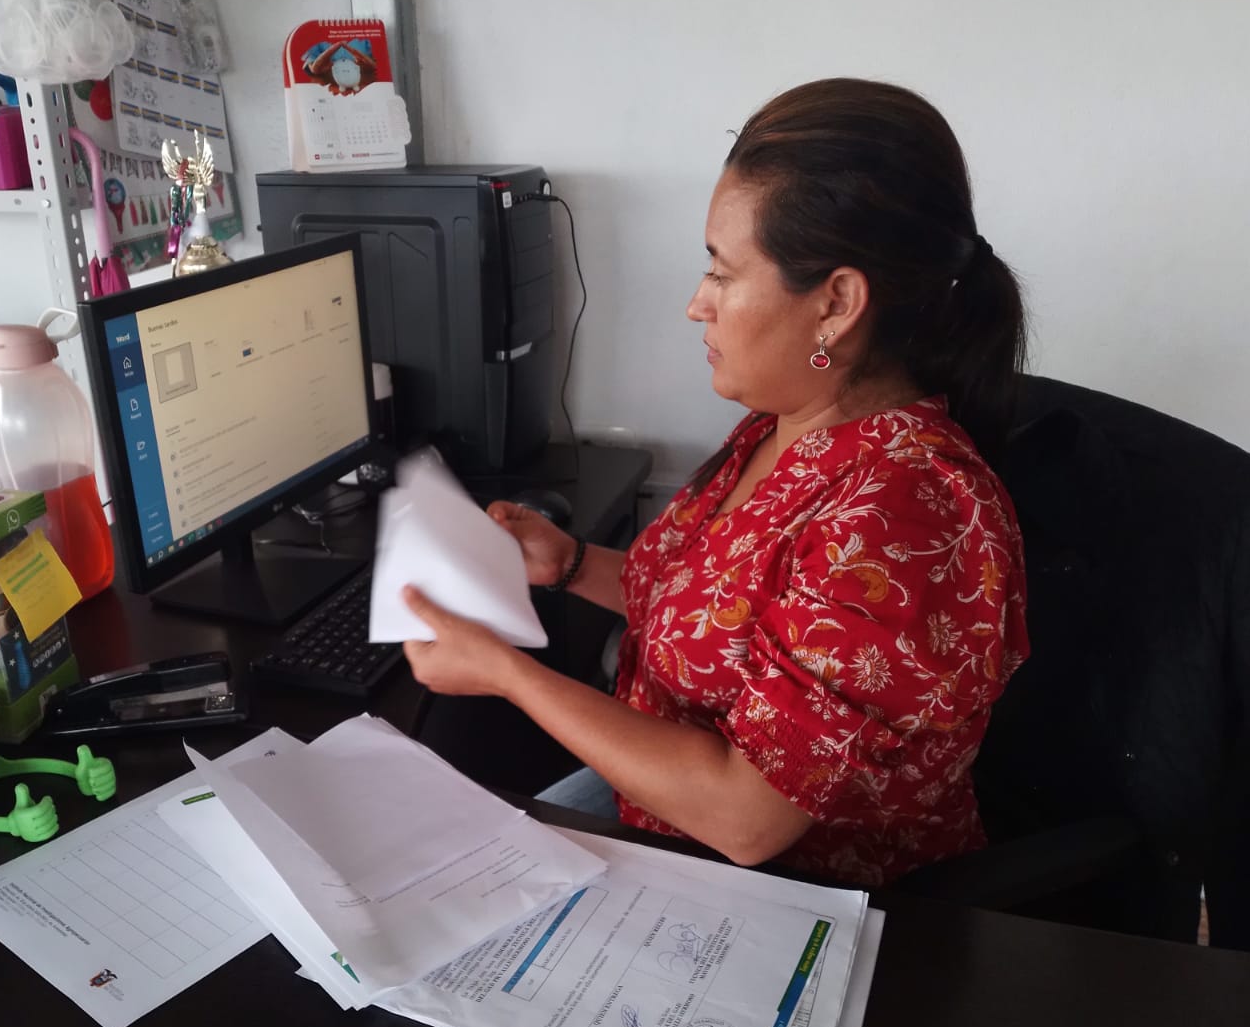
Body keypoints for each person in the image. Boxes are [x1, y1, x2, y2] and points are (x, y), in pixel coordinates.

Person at [401, 78, 1030, 888]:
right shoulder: (784, 424)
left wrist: (505, 672)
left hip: (805, 894)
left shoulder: (903, 514)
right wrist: (569, 563)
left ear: (837, 303)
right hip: (668, 822)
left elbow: (749, 816)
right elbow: (718, 618)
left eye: (724, 274)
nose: (698, 304)